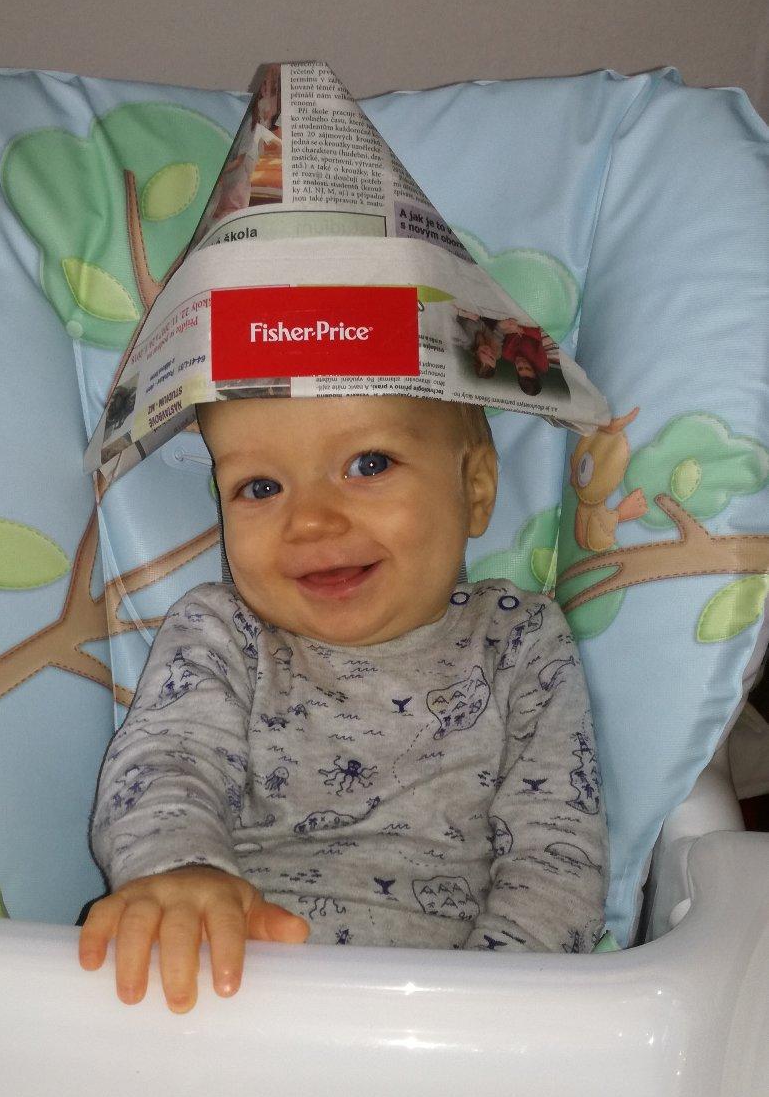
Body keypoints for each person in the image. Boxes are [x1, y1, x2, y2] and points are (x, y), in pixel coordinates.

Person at [79, 391, 608, 1011]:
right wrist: (178, 872)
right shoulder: (221, 632)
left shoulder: (517, 640)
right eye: (261, 488)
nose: (310, 521)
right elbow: (165, 763)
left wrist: (491, 1010)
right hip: (220, 989)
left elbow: (557, 857)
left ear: (475, 488)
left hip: (442, 1011)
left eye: (369, 465)